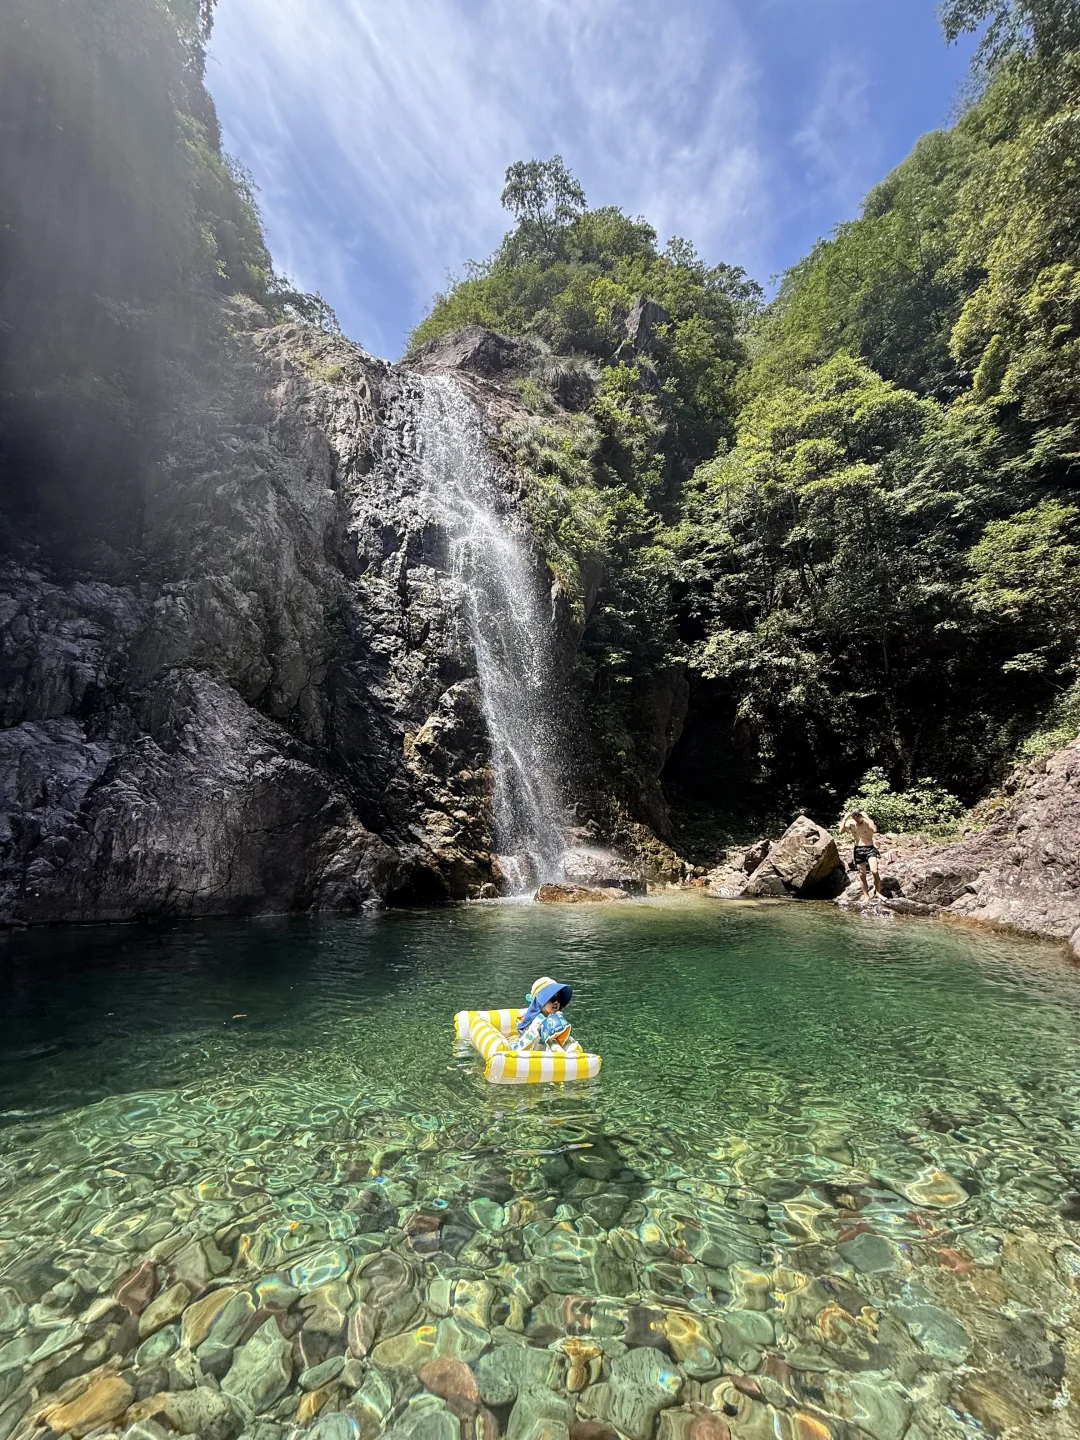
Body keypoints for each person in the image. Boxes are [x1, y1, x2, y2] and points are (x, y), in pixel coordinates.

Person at [512, 976, 578, 1052]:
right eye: (552, 998)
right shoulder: (537, 1020)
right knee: (548, 1027)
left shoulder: (555, 1018)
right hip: (529, 1053)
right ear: (540, 1001)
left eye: (558, 998)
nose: (556, 1002)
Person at [839, 808, 884, 900]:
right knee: (862, 874)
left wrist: (867, 817)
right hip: (858, 850)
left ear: (861, 816)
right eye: (854, 817)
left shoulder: (867, 822)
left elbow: (874, 830)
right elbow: (841, 831)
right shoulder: (851, 823)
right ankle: (866, 896)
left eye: (858, 817)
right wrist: (845, 819)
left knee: (874, 871)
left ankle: (878, 893)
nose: (856, 819)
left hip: (870, 849)